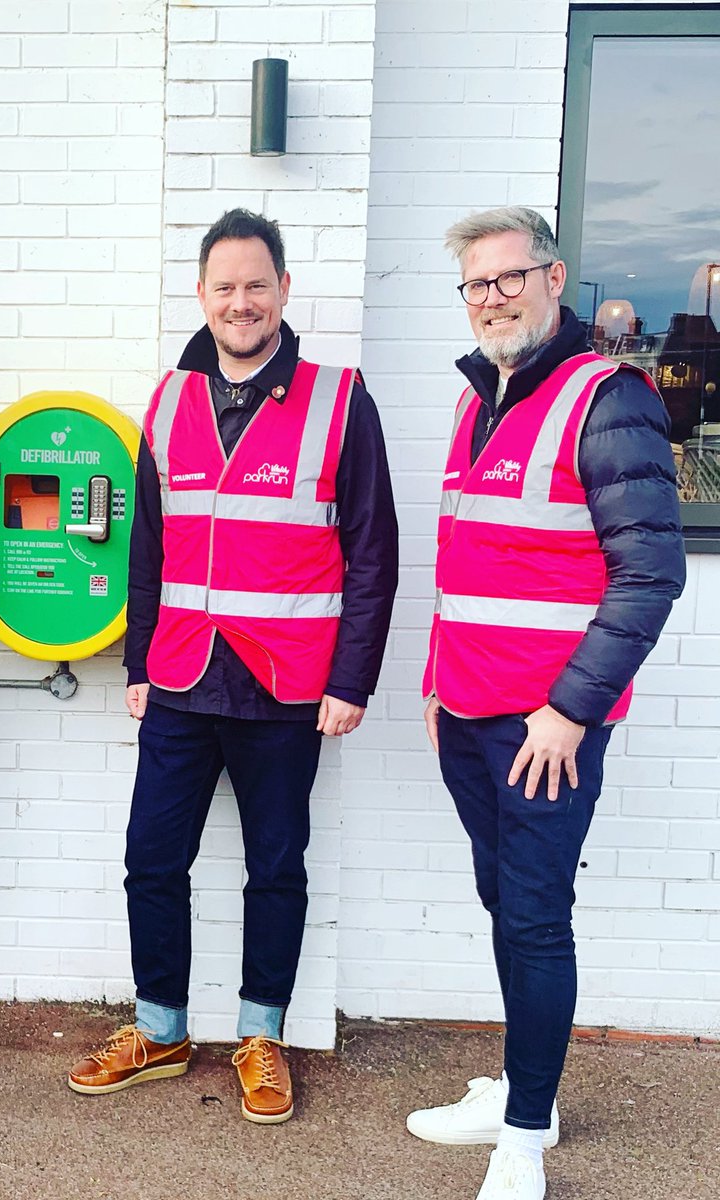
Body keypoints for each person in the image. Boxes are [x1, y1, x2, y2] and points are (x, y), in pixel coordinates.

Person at [68, 209, 398, 1123]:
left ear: (284, 292)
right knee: (150, 859)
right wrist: (138, 660)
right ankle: (161, 1028)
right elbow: (148, 545)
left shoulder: (340, 399)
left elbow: (374, 551)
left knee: (276, 867)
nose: (241, 302)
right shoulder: (170, 399)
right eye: (225, 287)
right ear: (203, 297)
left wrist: (352, 680)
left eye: (257, 284)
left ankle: (262, 1035)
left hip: (290, 683)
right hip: (180, 674)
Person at [409, 207, 686, 1200]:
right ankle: (530, 1089)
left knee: (533, 919)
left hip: (546, 733)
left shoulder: (606, 399)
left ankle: (524, 1137)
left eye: (508, 278)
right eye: (476, 286)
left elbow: (648, 573)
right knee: (504, 903)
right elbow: (471, 563)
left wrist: (571, 710)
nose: (492, 299)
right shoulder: (477, 396)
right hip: (470, 714)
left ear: (553, 277)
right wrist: (439, 683)